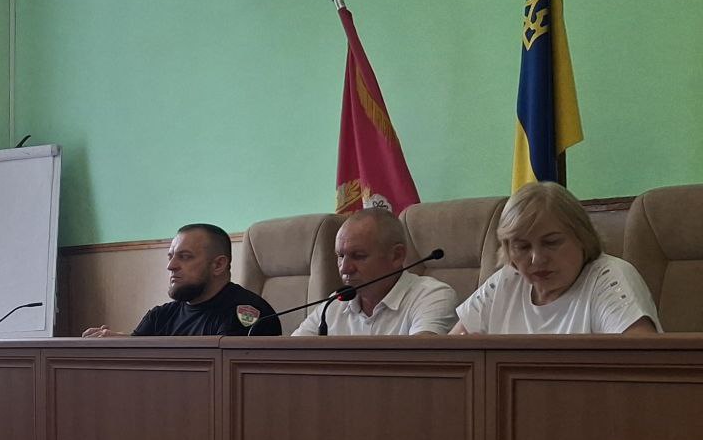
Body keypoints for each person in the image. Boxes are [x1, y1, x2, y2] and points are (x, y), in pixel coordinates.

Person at [452, 182, 660, 336]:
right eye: (522, 247)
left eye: (551, 242)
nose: (537, 259)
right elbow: (450, 356)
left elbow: (642, 366)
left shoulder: (609, 278)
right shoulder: (505, 281)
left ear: (582, 237)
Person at [83, 223, 278, 337]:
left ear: (218, 265)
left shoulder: (247, 314)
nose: (171, 266)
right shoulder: (160, 316)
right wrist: (116, 344)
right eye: (171, 257)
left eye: (185, 257)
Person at [291, 208, 457, 336]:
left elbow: (421, 361)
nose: (345, 268)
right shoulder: (334, 304)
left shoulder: (432, 296)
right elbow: (289, 356)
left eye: (358, 256)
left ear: (396, 256)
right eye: (340, 256)